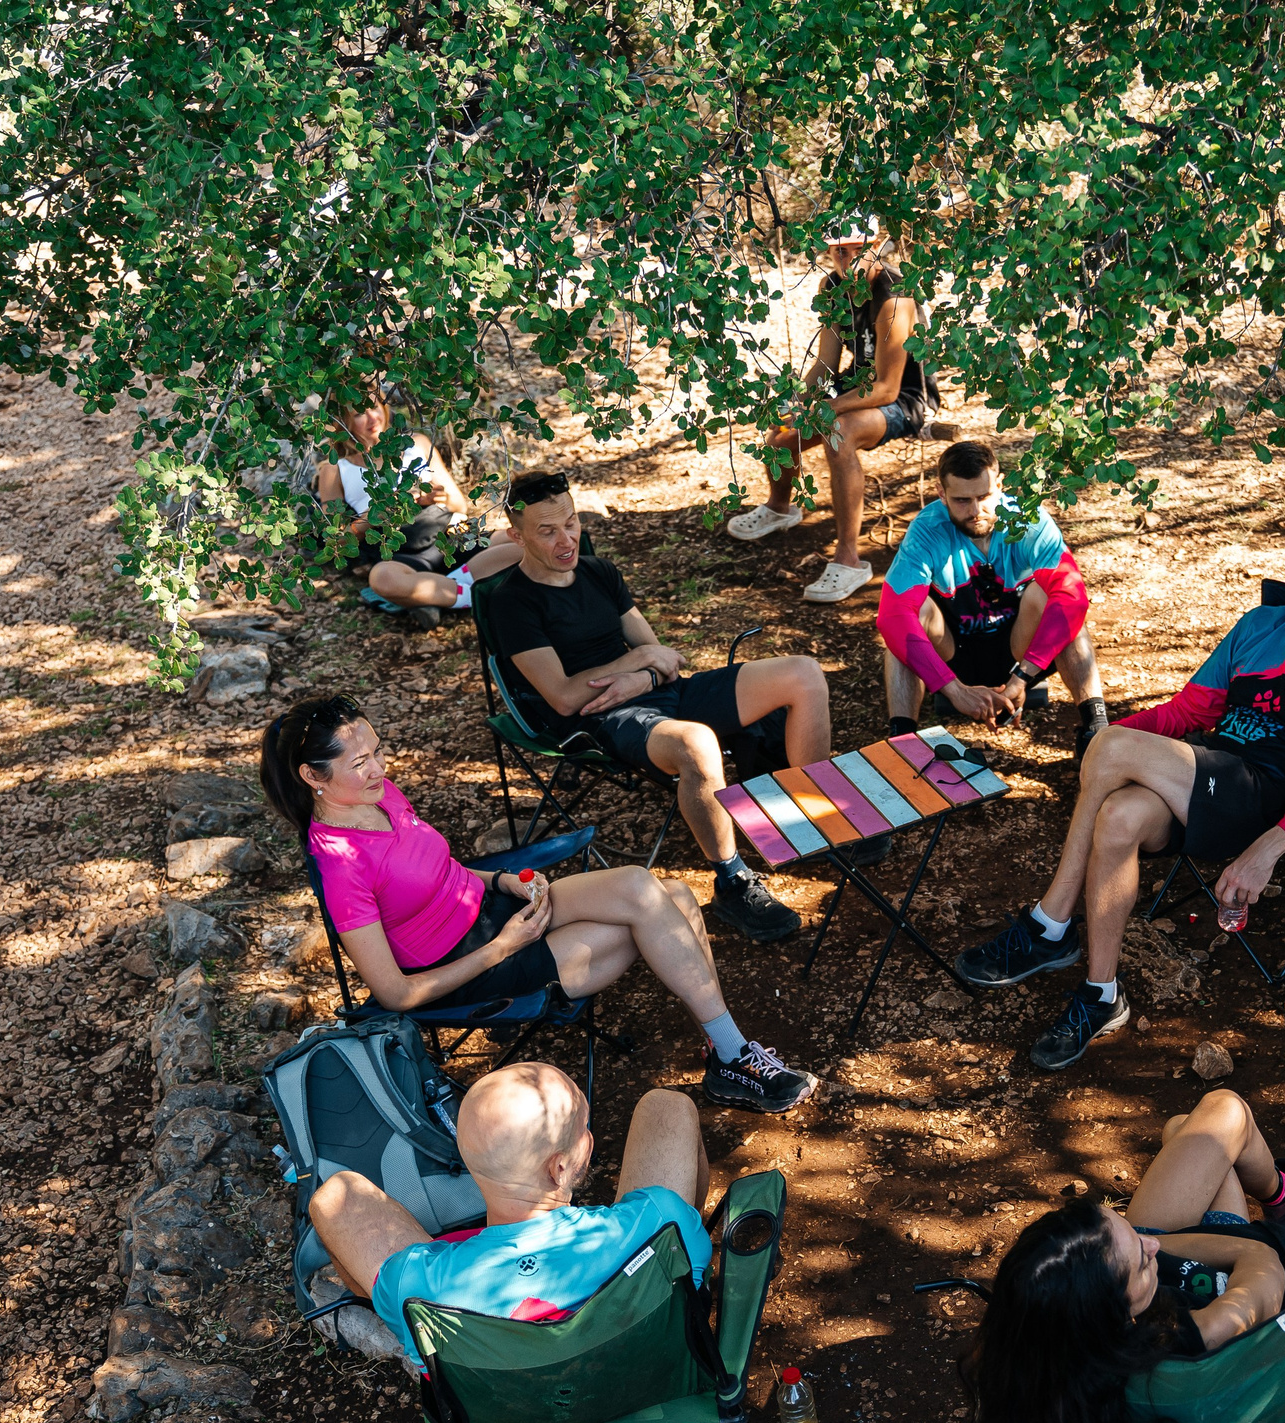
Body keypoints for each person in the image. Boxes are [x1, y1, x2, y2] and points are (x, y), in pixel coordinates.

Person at [952, 518, 1285, 1070]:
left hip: (1268, 798)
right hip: (1210, 772)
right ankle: (1101, 994)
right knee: (1117, 815)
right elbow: (1192, 711)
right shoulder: (1262, 624)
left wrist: (1269, 849)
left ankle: (1050, 924)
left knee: (1110, 747)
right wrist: (1107, 751)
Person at [262, 694, 817, 1113]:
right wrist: (503, 947)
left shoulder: (379, 796)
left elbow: (443, 870)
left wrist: (504, 881)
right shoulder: (340, 864)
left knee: (658, 890)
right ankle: (732, 1056)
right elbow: (395, 993)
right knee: (655, 915)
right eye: (360, 762)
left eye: (377, 751)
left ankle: (728, 1051)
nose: (380, 768)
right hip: (467, 967)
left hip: (493, 911)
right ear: (313, 777)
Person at [482, 468, 867, 944]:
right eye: (547, 531)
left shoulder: (599, 573)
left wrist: (641, 671)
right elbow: (562, 695)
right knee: (698, 743)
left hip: (659, 693)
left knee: (804, 673)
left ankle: (818, 818)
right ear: (516, 535)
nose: (567, 540)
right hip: (604, 720)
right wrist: (639, 661)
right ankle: (731, 880)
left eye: (572, 523)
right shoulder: (512, 602)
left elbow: (665, 658)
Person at [959, 1089, 1285, 1423]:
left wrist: (1144, 1252)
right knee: (1222, 1114)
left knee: (1184, 1129)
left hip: (1180, 1277)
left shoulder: (1047, 1348)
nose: (1149, 1244)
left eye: (1132, 1231)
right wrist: (1174, 1245)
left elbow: (1150, 1249)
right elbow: (1261, 1262)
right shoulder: (1197, 1336)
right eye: (1139, 1256)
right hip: (1228, 1270)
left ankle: (1273, 1195)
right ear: (1109, 1306)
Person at [310, 1063, 720, 1368]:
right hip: (652, 1378)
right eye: (584, 1131)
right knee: (667, 1106)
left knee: (334, 1196)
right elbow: (696, 1275)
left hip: (506, 1422)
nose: (589, 1138)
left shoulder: (415, 1284)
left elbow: (357, 1229)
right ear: (559, 1168)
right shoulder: (660, 1221)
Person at [726, 216, 943, 604]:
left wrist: (822, 409)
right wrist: (796, 403)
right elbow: (826, 365)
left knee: (837, 433)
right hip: (853, 386)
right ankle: (780, 508)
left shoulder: (895, 296)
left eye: (860, 249)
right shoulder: (832, 287)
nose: (850, 259)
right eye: (840, 250)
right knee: (778, 431)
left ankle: (849, 560)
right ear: (829, 252)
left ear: (878, 245)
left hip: (904, 398)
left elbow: (886, 387)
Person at [876, 438, 1107, 754]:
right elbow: (892, 616)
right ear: (941, 494)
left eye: (984, 497)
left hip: (1019, 647)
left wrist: (1023, 676)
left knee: (1059, 603)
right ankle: (901, 744)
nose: (975, 511)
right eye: (961, 500)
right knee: (906, 625)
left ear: (999, 485)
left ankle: (1095, 730)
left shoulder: (1029, 520)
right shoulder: (927, 530)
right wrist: (953, 690)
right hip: (954, 652)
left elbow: (1072, 598)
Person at [311, 394, 483, 629]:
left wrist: (433, 497)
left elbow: (459, 505)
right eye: (360, 412)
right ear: (343, 421)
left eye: (375, 407)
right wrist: (377, 514)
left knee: (512, 544)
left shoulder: (417, 443)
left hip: (447, 533)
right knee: (383, 579)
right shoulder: (335, 469)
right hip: (400, 552)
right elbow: (337, 541)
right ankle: (473, 591)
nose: (373, 417)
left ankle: (433, 595)